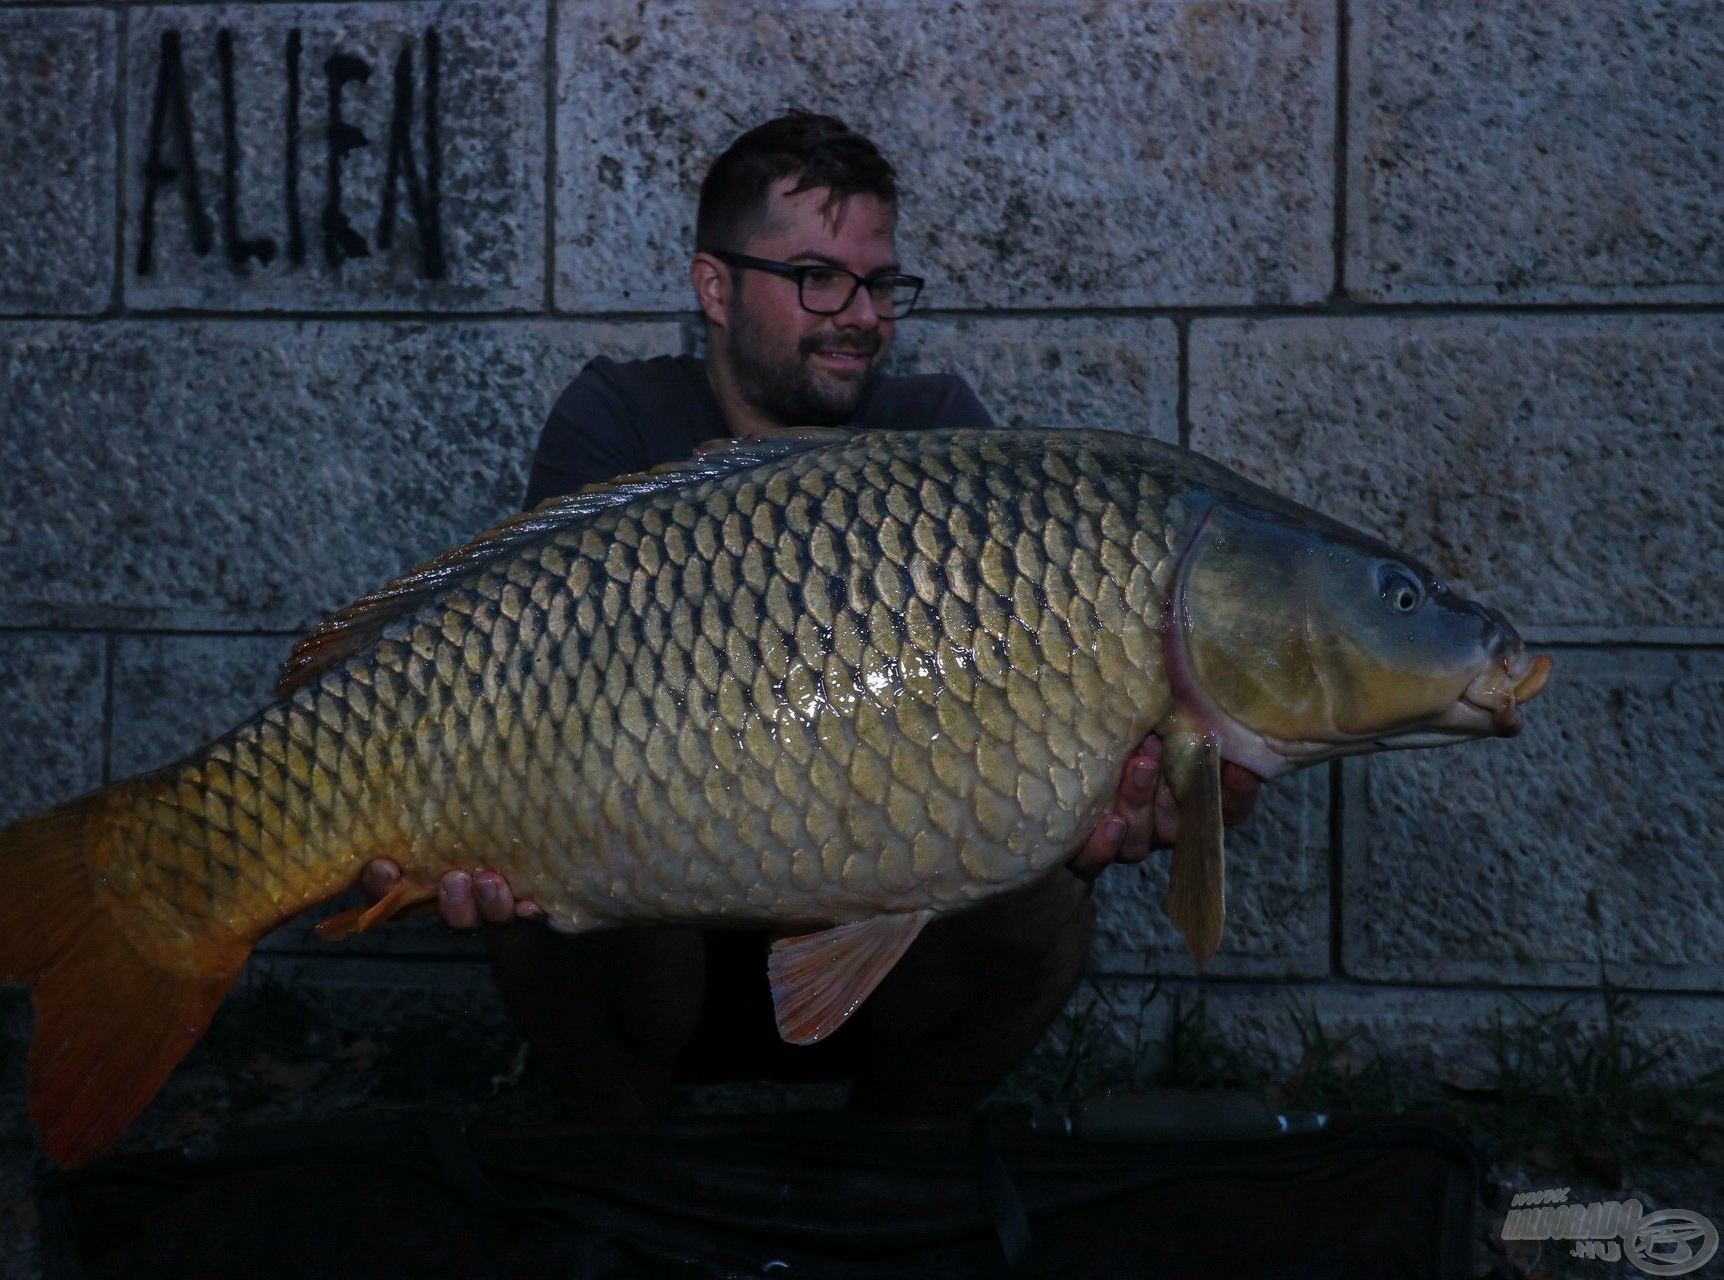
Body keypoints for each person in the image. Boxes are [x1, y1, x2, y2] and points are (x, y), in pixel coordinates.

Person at [360, 111, 1261, 1122]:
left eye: (880, 284)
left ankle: (888, 1174)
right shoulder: (617, 423)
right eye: (819, 278)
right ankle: (632, 1176)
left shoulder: (938, 439)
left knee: (1047, 896)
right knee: (539, 867)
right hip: (651, 957)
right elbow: (527, 678)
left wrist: (1113, 782)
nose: (861, 314)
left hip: (881, 957)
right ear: (715, 286)